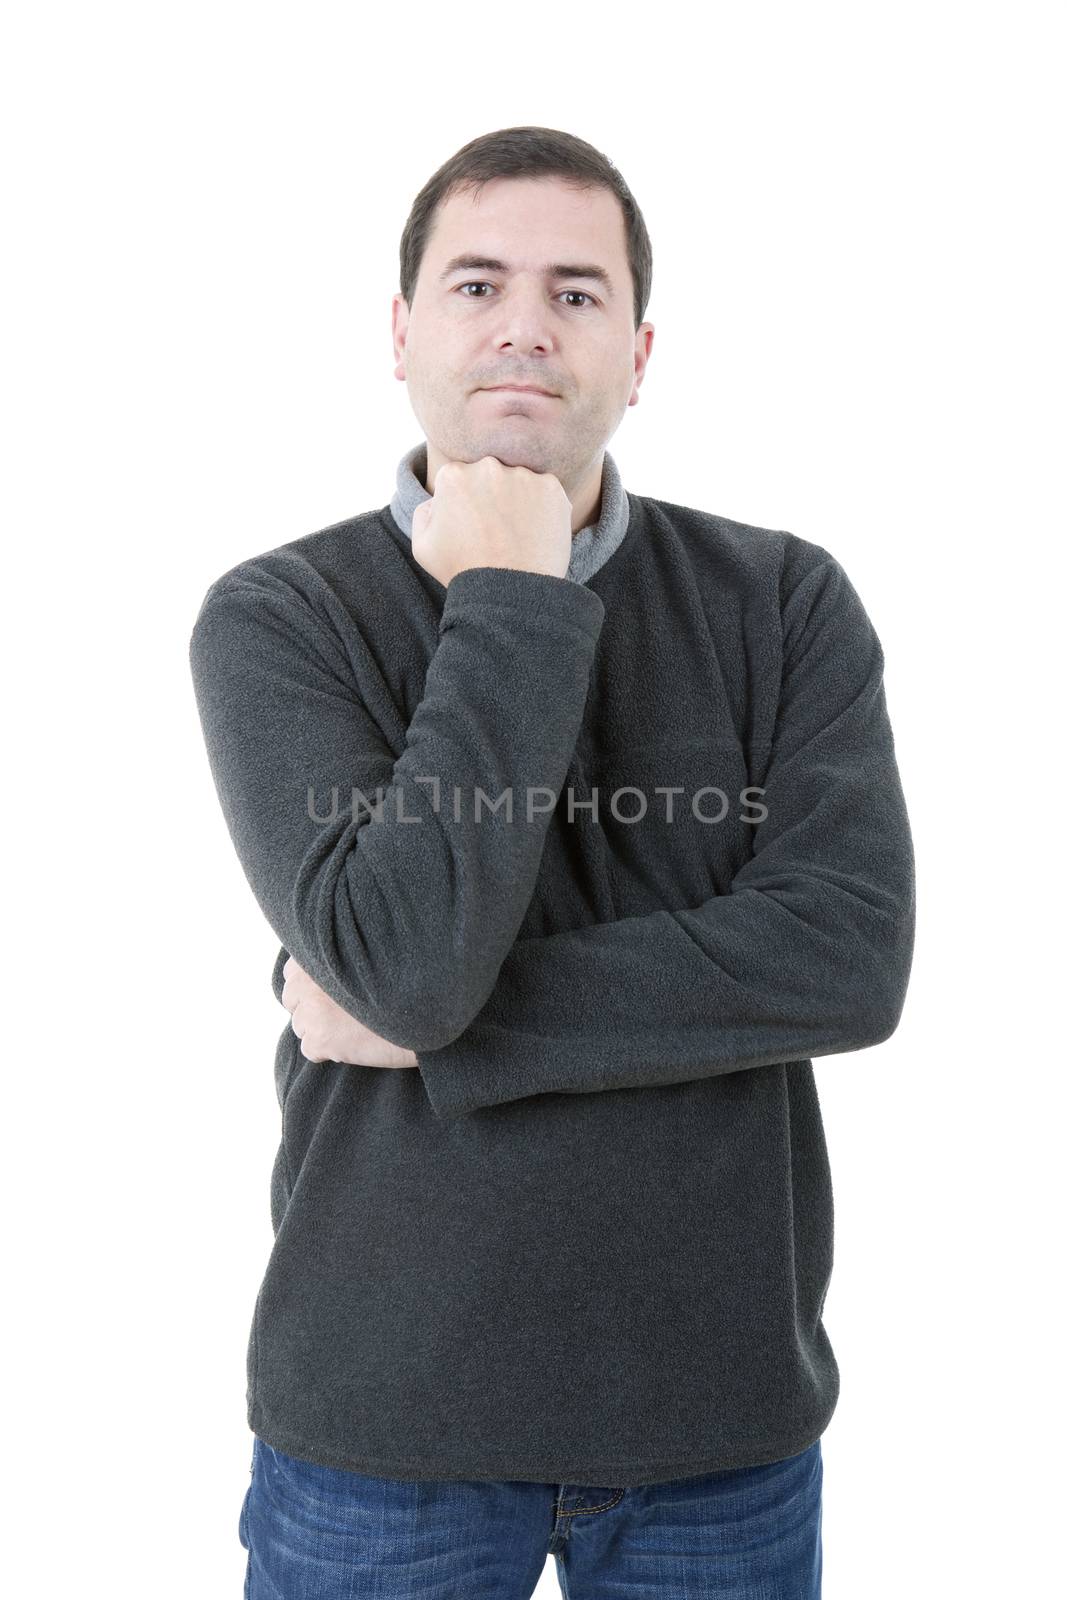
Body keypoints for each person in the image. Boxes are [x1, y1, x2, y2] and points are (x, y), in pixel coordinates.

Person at [189, 124, 915, 1599]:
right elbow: (407, 959)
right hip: (385, 1431)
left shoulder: (781, 601)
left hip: (716, 1429)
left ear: (639, 352)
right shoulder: (283, 616)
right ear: (402, 334)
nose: (526, 323)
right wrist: (514, 590)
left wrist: (437, 1029)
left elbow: (846, 955)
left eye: (578, 293)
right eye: (477, 284)